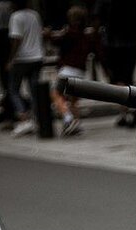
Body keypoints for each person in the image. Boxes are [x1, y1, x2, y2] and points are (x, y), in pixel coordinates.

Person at [48, 6, 96, 136]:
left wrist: (50, 34)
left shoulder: (69, 33)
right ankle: (76, 124)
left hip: (67, 70)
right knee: (74, 100)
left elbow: (56, 41)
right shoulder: (86, 35)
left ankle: (68, 118)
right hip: (81, 71)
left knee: (56, 94)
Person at [93, 0, 136, 127]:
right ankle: (130, 109)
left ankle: (126, 111)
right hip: (131, 43)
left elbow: (97, 21)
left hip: (112, 44)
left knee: (118, 80)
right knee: (128, 78)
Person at [7, 0, 45, 137]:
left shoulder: (15, 17)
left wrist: (11, 59)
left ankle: (24, 118)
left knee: (13, 89)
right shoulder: (35, 15)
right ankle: (35, 118)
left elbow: (16, 39)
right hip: (37, 56)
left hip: (22, 58)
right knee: (34, 89)